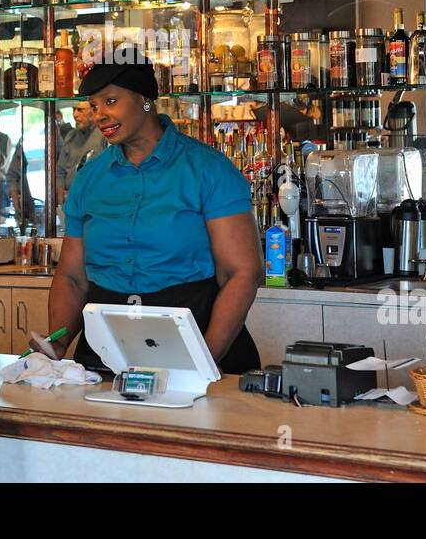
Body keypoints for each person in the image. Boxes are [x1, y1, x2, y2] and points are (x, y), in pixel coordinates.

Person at [41, 45, 264, 374]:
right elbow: (73, 279)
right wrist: (56, 343)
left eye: (111, 101)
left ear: (145, 99)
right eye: (94, 104)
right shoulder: (90, 178)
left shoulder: (206, 170)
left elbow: (242, 273)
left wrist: (205, 359)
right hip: (106, 351)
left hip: (196, 336)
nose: (99, 114)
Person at [57, 99, 106, 204]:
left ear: (94, 111)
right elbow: (60, 171)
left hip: (96, 201)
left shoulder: (105, 136)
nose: (75, 115)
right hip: (70, 201)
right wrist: (61, 200)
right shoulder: (71, 136)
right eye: (73, 110)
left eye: (80, 110)